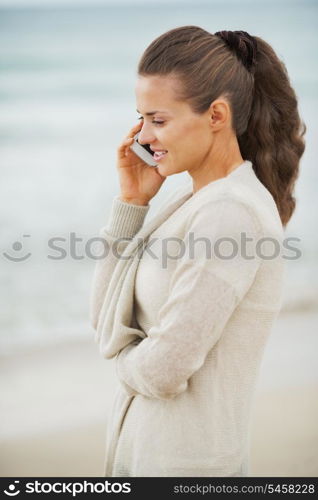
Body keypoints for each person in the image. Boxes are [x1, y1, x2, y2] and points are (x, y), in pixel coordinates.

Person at [89, 26, 306, 477]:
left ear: (216, 115)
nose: (143, 137)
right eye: (141, 118)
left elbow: (164, 369)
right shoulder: (197, 201)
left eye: (159, 120)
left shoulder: (230, 213)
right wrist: (132, 204)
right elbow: (106, 320)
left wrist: (125, 361)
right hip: (152, 458)